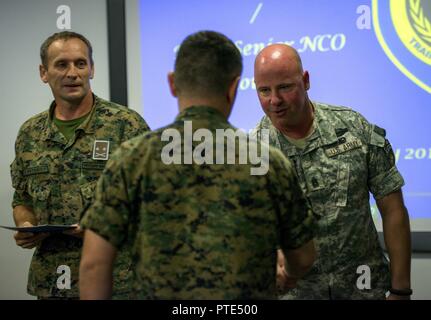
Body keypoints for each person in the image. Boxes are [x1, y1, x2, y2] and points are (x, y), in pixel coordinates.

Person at [79, 30, 316, 299]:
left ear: (172, 83)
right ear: (233, 88)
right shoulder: (268, 162)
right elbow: (304, 256)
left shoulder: (130, 159)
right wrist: (289, 274)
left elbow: (94, 265)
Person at [252, 44, 412, 300]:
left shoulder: (353, 128)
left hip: (363, 289)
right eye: (264, 91)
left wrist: (401, 290)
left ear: (305, 81)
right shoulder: (253, 153)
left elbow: (393, 209)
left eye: (284, 87)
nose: (275, 101)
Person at [10, 31, 150, 299]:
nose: (72, 73)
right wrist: (26, 224)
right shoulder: (30, 133)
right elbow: (22, 198)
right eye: (62, 64)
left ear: (92, 69)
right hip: (51, 282)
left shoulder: (126, 125)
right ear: (43, 72)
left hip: (116, 281)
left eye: (80, 63)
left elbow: (152, 200)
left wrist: (103, 226)